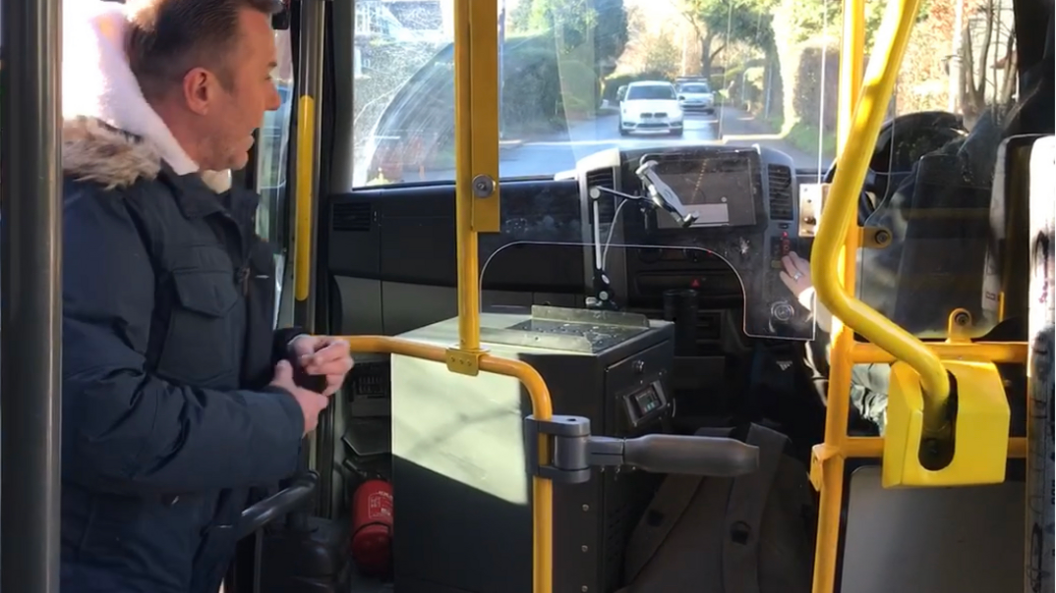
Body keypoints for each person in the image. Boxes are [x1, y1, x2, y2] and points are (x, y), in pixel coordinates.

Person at [59, 1, 353, 592]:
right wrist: (281, 416)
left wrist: (289, 354)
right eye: (267, 76)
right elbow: (101, 417)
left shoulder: (188, 203)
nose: (274, 101)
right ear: (200, 89)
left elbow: (179, 348)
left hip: (181, 550)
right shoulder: (97, 209)